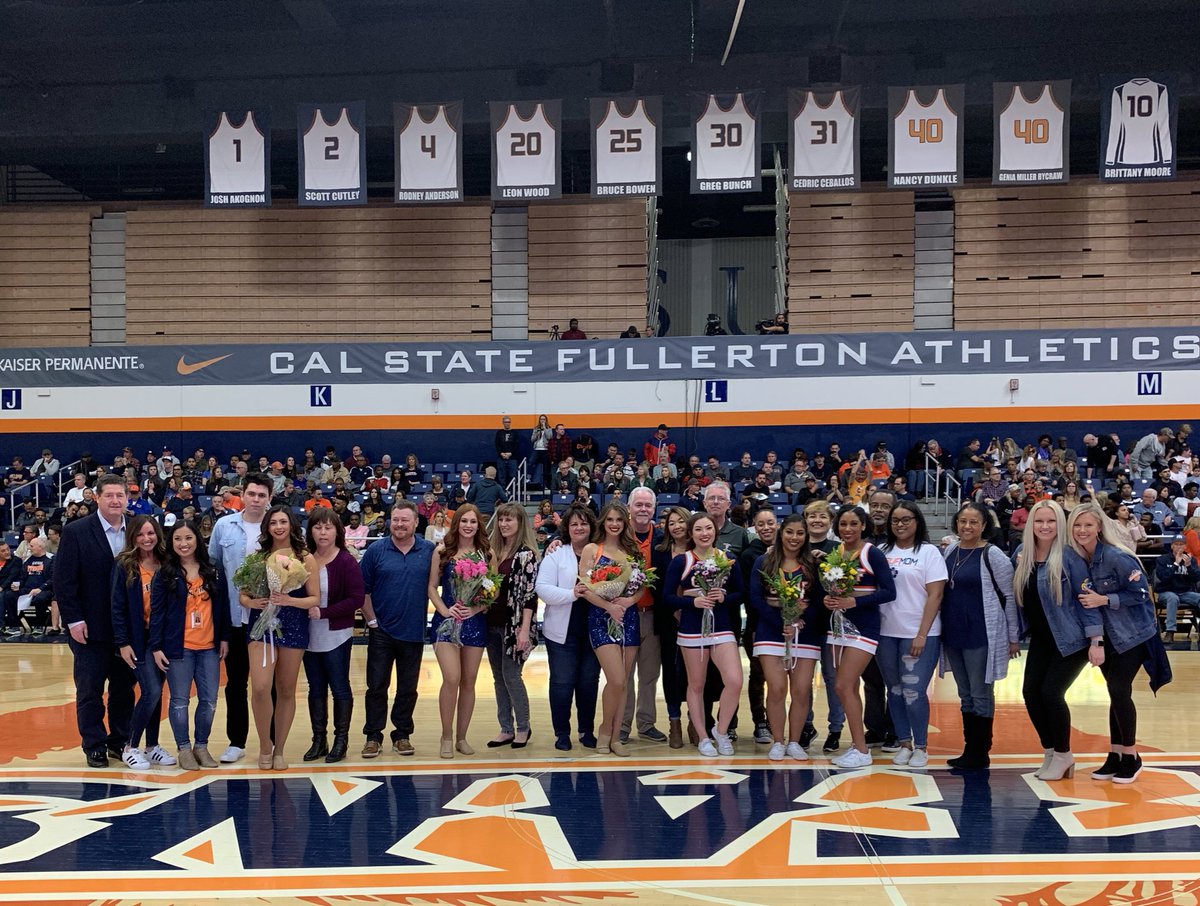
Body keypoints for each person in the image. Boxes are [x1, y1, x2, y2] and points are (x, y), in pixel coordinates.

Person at [1067, 502, 1167, 784]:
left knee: (1119, 689)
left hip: (1134, 634)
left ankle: (1132, 756)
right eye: (1077, 525)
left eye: (1088, 524)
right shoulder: (1079, 561)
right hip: (1107, 638)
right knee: (1115, 692)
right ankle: (1115, 754)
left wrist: (1105, 599)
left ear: (1099, 526)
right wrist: (1096, 640)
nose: (1082, 530)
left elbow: (1142, 595)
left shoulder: (1117, 557)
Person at [1012, 500, 1105, 782]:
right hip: (1042, 638)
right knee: (1031, 693)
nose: (1045, 526)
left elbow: (1085, 600)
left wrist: (1096, 640)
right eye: (1039, 521)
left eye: (1051, 521)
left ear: (1060, 525)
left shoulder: (1070, 556)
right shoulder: (1021, 554)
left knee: (1051, 693)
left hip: (1072, 638)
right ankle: (1051, 752)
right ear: (1030, 524)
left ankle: (1064, 754)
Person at [54, 473, 136, 768]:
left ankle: (119, 741)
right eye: (109, 495)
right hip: (89, 627)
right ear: (97, 498)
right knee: (89, 689)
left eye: (120, 495)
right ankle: (94, 744)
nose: (115, 500)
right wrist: (74, 620)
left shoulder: (138, 530)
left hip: (127, 629)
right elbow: (64, 581)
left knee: (124, 690)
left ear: (127, 498)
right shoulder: (76, 531)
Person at [939, 502, 1019, 770]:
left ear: (984, 525)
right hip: (953, 634)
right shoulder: (950, 550)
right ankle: (969, 749)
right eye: (963, 521)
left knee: (980, 693)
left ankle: (980, 751)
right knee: (965, 694)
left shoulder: (993, 554)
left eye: (973, 522)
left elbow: (1009, 596)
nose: (967, 526)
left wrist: (1013, 636)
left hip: (982, 634)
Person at [241, 506, 319, 771]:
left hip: (294, 623)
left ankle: (279, 750)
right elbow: (243, 594)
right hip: (261, 624)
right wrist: (251, 601)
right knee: (261, 687)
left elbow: (314, 598)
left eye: (283, 521)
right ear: (267, 527)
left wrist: (288, 601)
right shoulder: (257, 556)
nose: (278, 526)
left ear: (292, 525)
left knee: (286, 689)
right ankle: (265, 745)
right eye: (273, 522)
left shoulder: (305, 557)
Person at [149, 520, 230, 771]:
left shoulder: (213, 569)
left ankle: (201, 746)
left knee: (209, 701)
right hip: (178, 648)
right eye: (177, 539)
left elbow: (223, 605)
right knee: (180, 701)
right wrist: (156, 646)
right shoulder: (165, 572)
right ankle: (184, 748)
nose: (183, 544)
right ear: (171, 543)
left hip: (209, 647)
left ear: (197, 540)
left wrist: (224, 637)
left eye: (188, 538)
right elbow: (157, 612)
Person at [663, 512, 745, 757]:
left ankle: (721, 731)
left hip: (721, 626)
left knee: (734, 680)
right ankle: (703, 737)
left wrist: (724, 598)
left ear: (715, 531)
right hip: (691, 629)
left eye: (708, 528)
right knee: (696, 684)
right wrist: (692, 602)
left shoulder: (728, 559)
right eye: (698, 529)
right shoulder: (681, 561)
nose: (704, 533)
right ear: (691, 533)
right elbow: (666, 598)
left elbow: (740, 593)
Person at [360, 500, 437, 758]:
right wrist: (371, 621)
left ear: (416, 522)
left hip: (413, 632)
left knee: (408, 688)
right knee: (377, 687)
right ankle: (373, 736)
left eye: (406, 519)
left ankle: (402, 734)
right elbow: (363, 590)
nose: (400, 524)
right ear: (390, 521)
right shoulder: (376, 551)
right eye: (396, 519)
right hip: (381, 631)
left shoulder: (429, 551)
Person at [207, 472, 274, 764]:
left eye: (262, 495)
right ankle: (236, 741)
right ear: (242, 495)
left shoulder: (278, 525)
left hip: (270, 620)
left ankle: (269, 741)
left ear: (269, 498)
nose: (256, 499)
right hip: (235, 619)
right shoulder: (224, 526)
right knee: (236, 683)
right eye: (252, 494)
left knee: (267, 685)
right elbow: (213, 568)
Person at [749, 514, 827, 761]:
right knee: (777, 688)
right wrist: (781, 621)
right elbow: (755, 599)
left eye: (800, 533)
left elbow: (820, 601)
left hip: (805, 633)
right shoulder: (764, 561)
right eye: (790, 532)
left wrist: (801, 621)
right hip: (771, 632)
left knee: (802, 689)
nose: (794, 538)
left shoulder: (813, 565)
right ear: (781, 533)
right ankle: (778, 741)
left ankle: (795, 741)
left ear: (806, 537)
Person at [825, 506, 897, 769]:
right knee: (845, 687)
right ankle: (856, 746)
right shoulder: (836, 553)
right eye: (843, 524)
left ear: (863, 525)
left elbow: (889, 592)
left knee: (844, 685)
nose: (848, 529)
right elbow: (833, 590)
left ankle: (862, 750)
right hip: (838, 627)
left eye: (853, 524)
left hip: (865, 628)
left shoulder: (872, 553)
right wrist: (828, 599)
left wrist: (853, 602)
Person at [877, 502, 947, 768]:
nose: (900, 525)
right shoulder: (882, 551)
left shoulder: (929, 552)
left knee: (914, 691)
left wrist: (921, 634)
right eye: (895, 520)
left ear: (917, 521)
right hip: (886, 632)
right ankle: (904, 743)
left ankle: (921, 746)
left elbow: (936, 594)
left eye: (906, 519)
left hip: (919, 634)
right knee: (894, 691)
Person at [110, 516, 176, 769]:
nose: (146, 538)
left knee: (157, 693)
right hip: (138, 640)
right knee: (151, 691)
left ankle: (152, 746)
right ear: (133, 537)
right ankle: (130, 747)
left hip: (161, 639)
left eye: (151, 533)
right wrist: (123, 642)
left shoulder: (166, 563)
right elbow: (117, 607)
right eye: (141, 534)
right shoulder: (124, 565)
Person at [577, 503, 642, 757]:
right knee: (614, 678)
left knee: (623, 682)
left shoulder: (631, 551)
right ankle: (604, 729)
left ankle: (616, 738)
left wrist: (628, 601)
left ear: (625, 523)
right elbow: (584, 588)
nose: (614, 524)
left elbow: (641, 586)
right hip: (600, 618)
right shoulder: (592, 550)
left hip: (628, 617)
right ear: (603, 522)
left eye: (619, 520)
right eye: (610, 519)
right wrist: (608, 606)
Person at [536, 502, 602, 751]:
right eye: (574, 523)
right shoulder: (557, 552)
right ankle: (562, 733)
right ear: (567, 527)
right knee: (562, 684)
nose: (579, 527)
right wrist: (572, 594)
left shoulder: (600, 552)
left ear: (591, 526)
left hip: (594, 631)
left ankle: (587, 730)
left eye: (583, 523)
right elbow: (542, 588)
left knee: (588, 683)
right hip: (562, 633)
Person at [427, 504, 491, 759]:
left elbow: (491, 590)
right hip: (446, 623)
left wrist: (475, 610)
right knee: (452, 678)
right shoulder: (442, 551)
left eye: (472, 522)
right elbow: (432, 587)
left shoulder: (486, 552)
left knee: (469, 681)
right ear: (457, 524)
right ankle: (446, 735)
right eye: (464, 521)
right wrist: (444, 610)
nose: (468, 525)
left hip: (474, 623)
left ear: (478, 525)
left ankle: (462, 737)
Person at [302, 508, 364, 764]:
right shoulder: (303, 559)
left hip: (336, 634)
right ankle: (319, 739)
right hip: (308, 636)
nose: (323, 532)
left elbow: (356, 599)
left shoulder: (346, 561)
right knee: (315, 689)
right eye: (318, 527)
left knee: (339, 688)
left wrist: (325, 612)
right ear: (311, 531)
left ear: (337, 531)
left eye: (328, 527)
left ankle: (341, 740)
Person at [484, 502, 539, 748]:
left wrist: (524, 630)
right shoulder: (492, 550)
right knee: (498, 678)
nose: (504, 524)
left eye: (509, 520)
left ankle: (523, 727)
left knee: (512, 676)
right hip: (491, 623)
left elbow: (530, 596)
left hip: (514, 625)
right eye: (501, 520)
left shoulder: (526, 554)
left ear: (520, 524)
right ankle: (505, 727)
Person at [621, 487, 666, 744]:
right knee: (624, 675)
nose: (643, 509)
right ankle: (623, 725)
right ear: (629, 507)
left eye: (648, 505)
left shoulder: (662, 538)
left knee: (649, 674)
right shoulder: (617, 536)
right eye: (638, 504)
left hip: (652, 615)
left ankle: (646, 723)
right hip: (624, 615)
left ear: (654, 508)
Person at [653, 506, 692, 748]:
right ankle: (674, 720)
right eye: (671, 523)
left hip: (695, 619)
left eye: (681, 521)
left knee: (695, 673)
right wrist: (674, 608)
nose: (676, 526)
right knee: (671, 671)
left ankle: (695, 720)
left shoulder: (699, 548)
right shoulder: (660, 551)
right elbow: (657, 588)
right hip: (668, 619)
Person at [739, 508, 776, 745]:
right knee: (758, 674)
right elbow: (748, 594)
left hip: (788, 624)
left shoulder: (792, 549)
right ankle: (760, 722)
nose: (766, 528)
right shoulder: (749, 554)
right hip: (757, 623)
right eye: (760, 524)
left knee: (779, 677)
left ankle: (776, 720)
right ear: (754, 527)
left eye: (770, 523)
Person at [1155, 535, 1200, 643]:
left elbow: (1196, 579)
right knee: (1173, 598)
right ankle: (1170, 632)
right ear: (1171, 546)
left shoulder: (1190, 560)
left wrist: (1188, 566)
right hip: (1166, 592)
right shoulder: (1162, 559)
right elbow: (1163, 578)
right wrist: (1175, 564)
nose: (1179, 547)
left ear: (1185, 546)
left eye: (1181, 544)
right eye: (1176, 544)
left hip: (1185, 593)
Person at [494, 416, 519, 488]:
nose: (507, 424)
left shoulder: (515, 433)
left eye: (508, 422)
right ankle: (502, 492)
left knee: (513, 476)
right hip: (501, 458)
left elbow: (516, 445)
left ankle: (512, 493)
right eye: (505, 422)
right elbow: (497, 444)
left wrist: (510, 453)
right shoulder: (499, 433)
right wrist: (501, 453)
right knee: (501, 476)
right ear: (503, 423)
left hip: (512, 458)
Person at [530, 414, 552, 489]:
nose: (542, 421)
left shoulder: (549, 428)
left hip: (545, 450)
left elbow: (549, 437)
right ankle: (529, 479)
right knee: (531, 463)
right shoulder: (536, 428)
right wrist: (537, 434)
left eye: (544, 419)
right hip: (537, 449)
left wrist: (545, 428)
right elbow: (532, 439)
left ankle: (545, 484)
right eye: (541, 419)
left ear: (546, 420)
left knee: (545, 468)